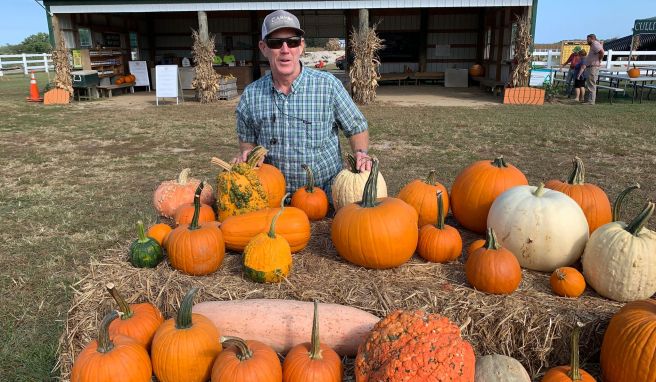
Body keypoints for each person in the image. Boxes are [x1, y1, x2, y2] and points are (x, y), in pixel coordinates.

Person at [234, 10, 371, 199]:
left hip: (325, 197)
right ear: (263, 47)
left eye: (292, 41)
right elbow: (247, 139)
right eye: (275, 43)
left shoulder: (327, 85)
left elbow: (357, 127)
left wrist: (361, 153)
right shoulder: (251, 95)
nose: (285, 49)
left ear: (301, 46)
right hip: (273, 199)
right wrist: (249, 154)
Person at [580, 34, 604, 105]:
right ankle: (590, 100)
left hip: (593, 67)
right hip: (591, 66)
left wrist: (599, 60)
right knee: (590, 83)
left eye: (588, 39)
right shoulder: (594, 45)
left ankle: (591, 101)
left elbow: (601, 52)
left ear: (592, 38)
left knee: (591, 84)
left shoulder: (595, 44)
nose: (587, 41)